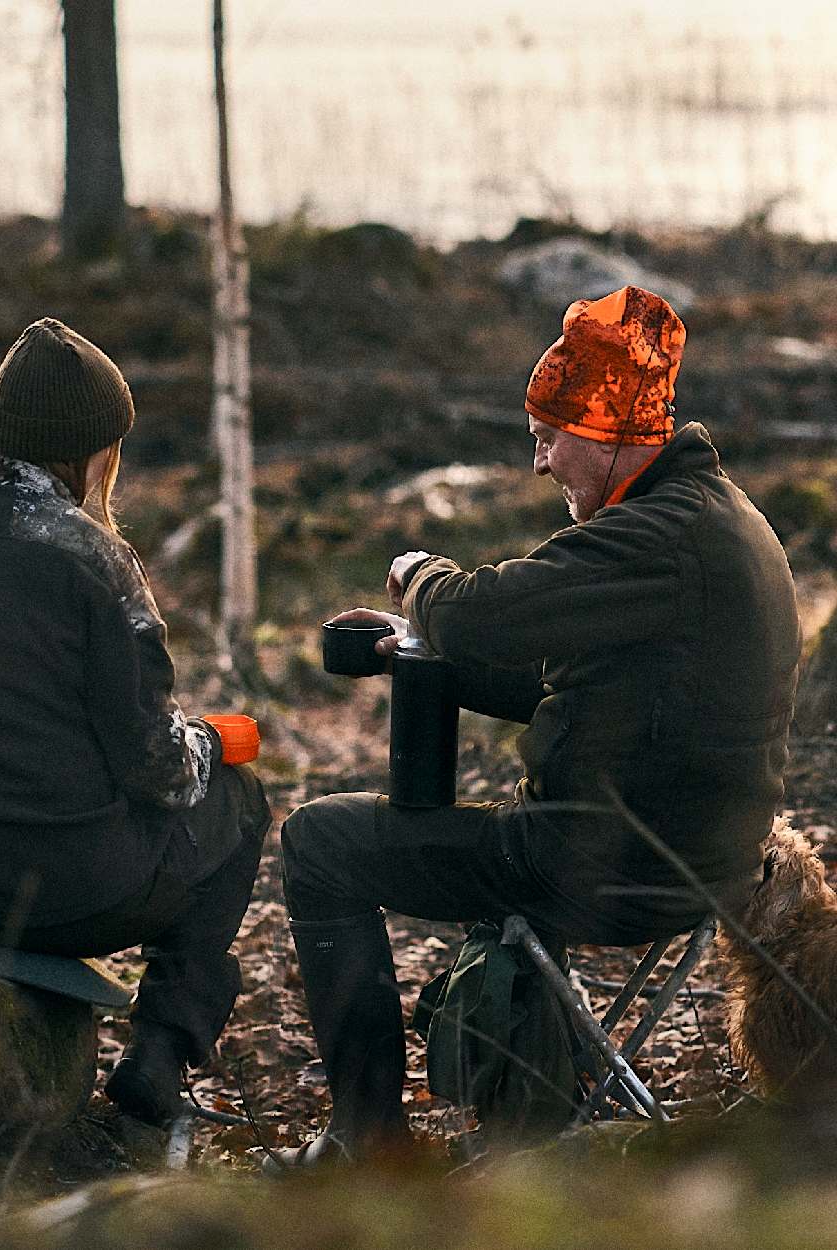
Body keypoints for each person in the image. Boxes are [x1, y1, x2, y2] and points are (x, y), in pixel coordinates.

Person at [275, 285, 801, 1166]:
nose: (539, 462)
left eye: (548, 437)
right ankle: (530, 1122)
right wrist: (412, 648)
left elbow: (482, 615)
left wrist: (423, 579)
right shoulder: (721, 522)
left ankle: (366, 1145)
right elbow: (567, 682)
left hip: (603, 863)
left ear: (606, 431)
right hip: (698, 859)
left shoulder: (655, 538)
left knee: (318, 843)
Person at [0, 318, 271, 1127]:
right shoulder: (91, 559)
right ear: (92, 450)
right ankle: (158, 1054)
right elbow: (155, 763)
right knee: (240, 802)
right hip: (69, 896)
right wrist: (217, 741)